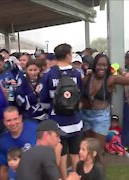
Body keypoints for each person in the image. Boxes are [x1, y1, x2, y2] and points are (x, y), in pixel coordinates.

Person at [81, 53, 129, 148]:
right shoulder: (86, 78)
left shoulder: (111, 79)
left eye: (104, 65)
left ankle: (99, 163)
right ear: (95, 65)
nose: (102, 68)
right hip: (86, 116)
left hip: (101, 117)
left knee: (98, 149)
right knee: (87, 149)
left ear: (108, 67)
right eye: (99, 64)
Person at [40, 43, 83, 180]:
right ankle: (76, 177)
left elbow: (44, 100)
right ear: (68, 55)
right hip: (75, 121)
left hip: (57, 122)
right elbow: (80, 96)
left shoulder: (48, 74)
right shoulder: (77, 74)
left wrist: (50, 111)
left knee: (62, 156)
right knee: (75, 154)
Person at [0, 106, 37, 180]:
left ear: (21, 118)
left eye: (15, 119)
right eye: (8, 120)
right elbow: (3, 168)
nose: (12, 123)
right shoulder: (4, 141)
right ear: (4, 122)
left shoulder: (34, 128)